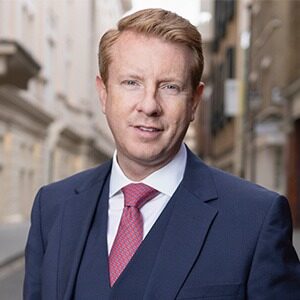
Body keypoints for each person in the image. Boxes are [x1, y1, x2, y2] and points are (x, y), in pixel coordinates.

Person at [24, 8, 300, 300]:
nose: (149, 105)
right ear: (103, 93)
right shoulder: (52, 207)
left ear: (194, 101)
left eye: (170, 87)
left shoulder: (255, 219)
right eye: (131, 83)